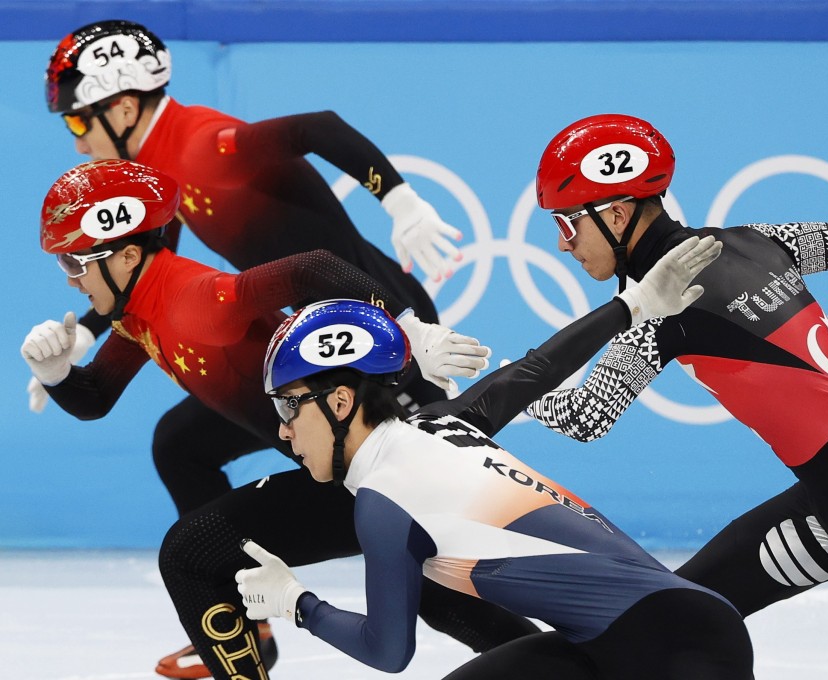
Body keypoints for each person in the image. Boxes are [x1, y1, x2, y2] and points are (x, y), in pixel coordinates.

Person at [39, 18, 492, 676]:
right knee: (180, 443)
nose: (77, 144)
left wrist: (400, 202)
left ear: (125, 106)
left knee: (429, 570)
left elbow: (320, 128)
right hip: (317, 344)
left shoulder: (197, 147)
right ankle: (241, 621)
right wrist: (83, 334)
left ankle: (546, 651)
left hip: (376, 334)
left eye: (79, 124)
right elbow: (147, 252)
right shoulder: (156, 164)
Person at [527, 113, 828, 680]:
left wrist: (499, 397)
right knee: (676, 620)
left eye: (568, 225)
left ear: (615, 214)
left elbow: (586, 416)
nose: (564, 246)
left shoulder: (661, 305)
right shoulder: (757, 241)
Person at [171, 238, 751, 680]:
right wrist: (633, 304)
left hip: (667, 646)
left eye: (290, 407)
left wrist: (299, 604)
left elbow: (387, 650)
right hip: (659, 632)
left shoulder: (383, 503)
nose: (282, 428)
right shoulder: (445, 423)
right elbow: (536, 368)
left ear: (342, 401)